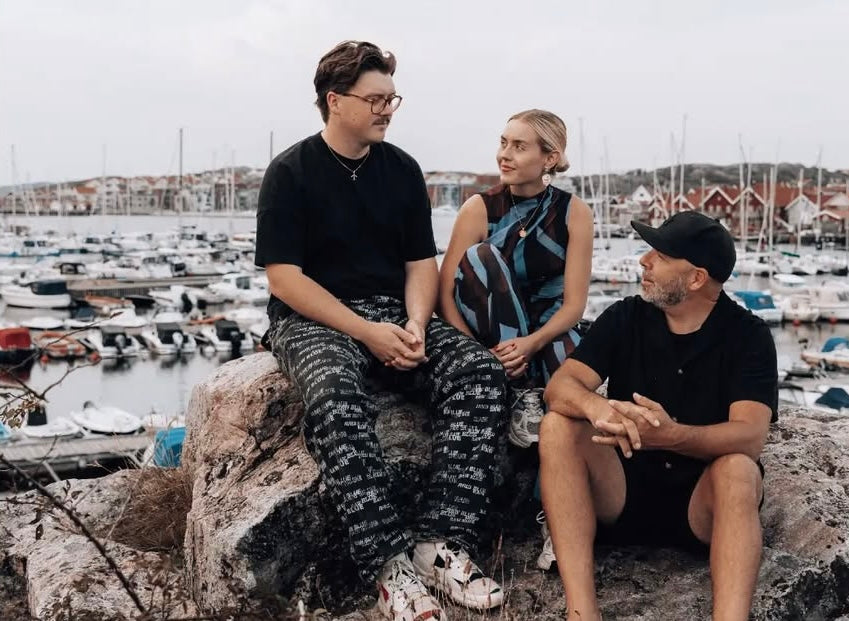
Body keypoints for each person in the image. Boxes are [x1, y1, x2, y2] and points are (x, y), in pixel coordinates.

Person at [255, 40, 507, 621]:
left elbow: (420, 263)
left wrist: (414, 324)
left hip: (394, 311)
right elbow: (284, 278)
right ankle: (390, 568)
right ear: (335, 100)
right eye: (375, 99)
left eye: (392, 98)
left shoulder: (402, 169)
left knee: (479, 373)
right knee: (335, 397)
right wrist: (366, 332)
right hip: (314, 318)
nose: (387, 109)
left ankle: (439, 544)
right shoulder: (289, 172)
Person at [537, 211, 778, 621]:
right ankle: (581, 613)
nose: (644, 261)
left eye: (661, 256)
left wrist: (670, 435)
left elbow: (750, 436)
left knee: (739, 470)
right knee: (558, 426)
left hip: (700, 505)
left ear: (697, 278)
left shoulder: (748, 336)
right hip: (620, 492)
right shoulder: (625, 316)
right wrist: (599, 408)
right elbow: (560, 388)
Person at [438, 109, 593, 390]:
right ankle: (514, 380)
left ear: (550, 159)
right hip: (490, 337)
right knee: (482, 256)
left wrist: (531, 343)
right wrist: (476, 352)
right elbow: (445, 294)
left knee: (570, 377)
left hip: (549, 331)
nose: (504, 155)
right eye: (503, 143)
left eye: (519, 147)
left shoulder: (575, 212)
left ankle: (536, 393)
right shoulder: (478, 209)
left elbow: (574, 305)